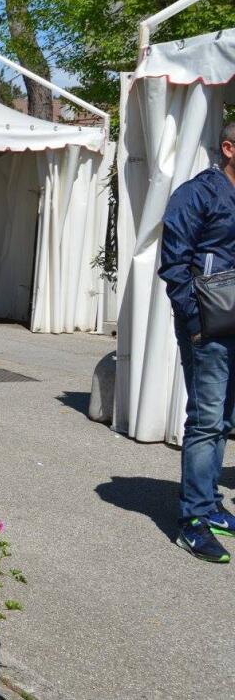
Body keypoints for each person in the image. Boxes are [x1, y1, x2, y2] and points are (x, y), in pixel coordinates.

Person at [159, 121, 235, 563]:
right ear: (228, 148)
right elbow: (174, 262)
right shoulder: (198, 193)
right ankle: (192, 521)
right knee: (206, 419)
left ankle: (209, 504)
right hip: (207, 324)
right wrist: (196, 321)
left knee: (225, 419)